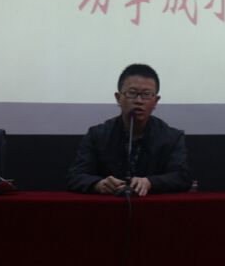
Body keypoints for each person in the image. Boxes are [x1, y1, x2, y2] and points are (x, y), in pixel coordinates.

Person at [67, 63, 192, 196]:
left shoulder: (171, 137)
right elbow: (75, 176)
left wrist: (151, 182)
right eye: (132, 93)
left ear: (155, 101)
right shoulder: (97, 135)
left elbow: (183, 177)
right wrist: (98, 184)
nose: (139, 100)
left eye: (146, 94)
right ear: (118, 98)